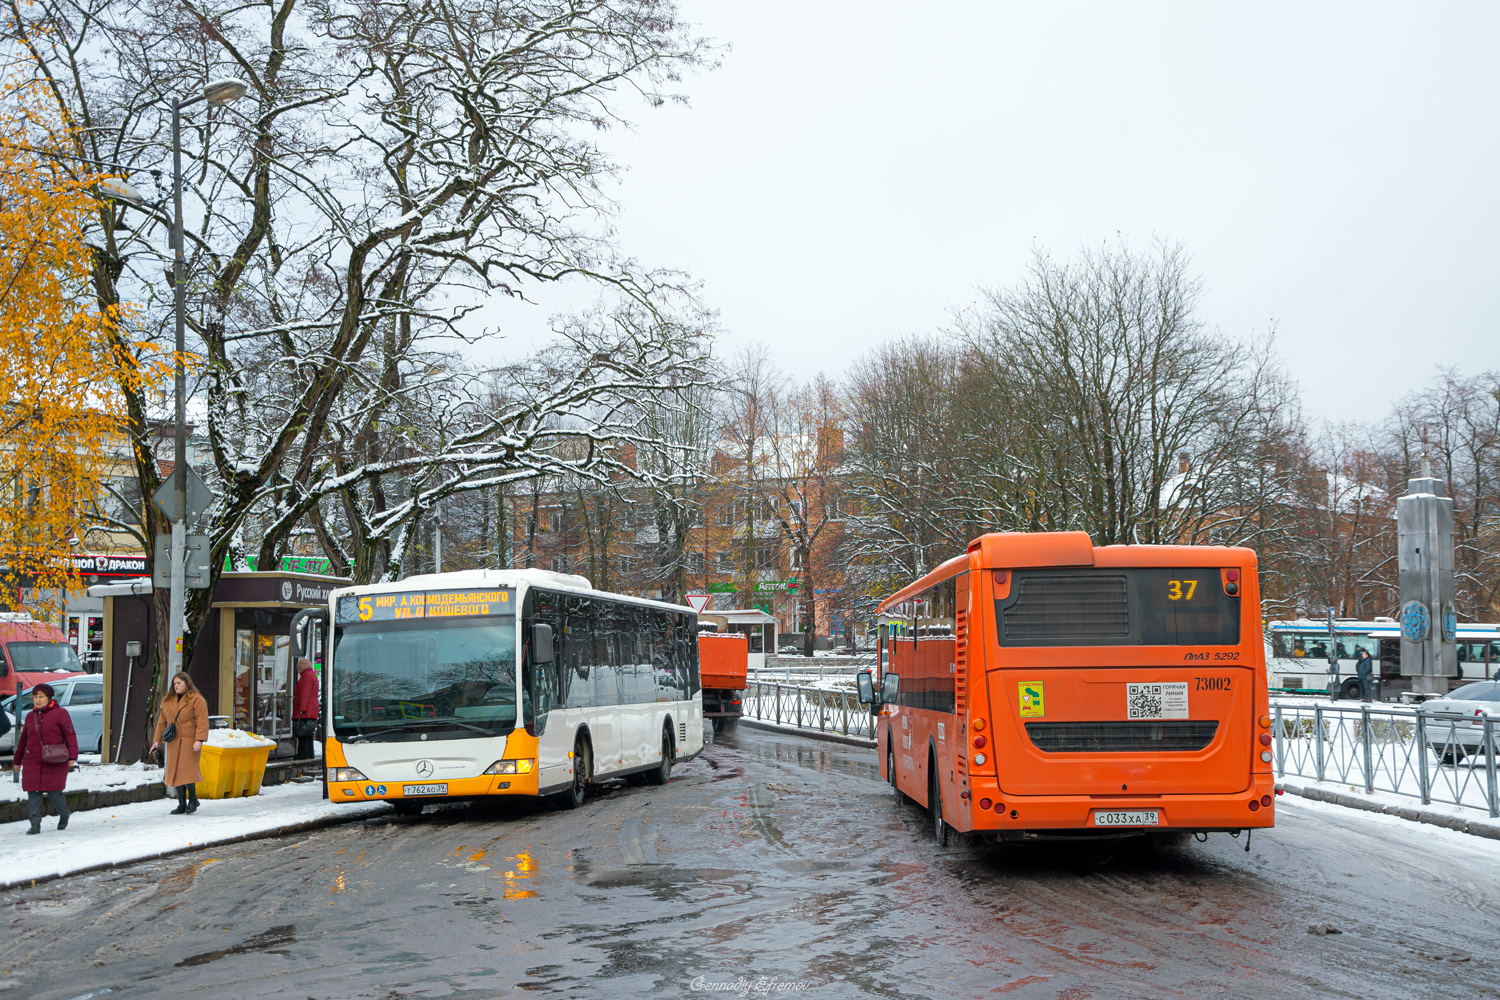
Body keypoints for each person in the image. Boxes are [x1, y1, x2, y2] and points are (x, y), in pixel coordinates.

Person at [13, 683, 78, 835]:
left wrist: (72, 756)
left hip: (54, 759)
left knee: (55, 791)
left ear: (49, 698)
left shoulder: (60, 713)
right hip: (32, 760)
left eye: (41, 697)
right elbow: (23, 740)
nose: (37, 700)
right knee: (33, 792)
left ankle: (64, 813)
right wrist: (17, 761)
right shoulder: (30, 716)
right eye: (35, 697)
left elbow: (70, 735)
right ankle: (34, 824)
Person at [152, 671, 209, 815]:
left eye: (179, 683)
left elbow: (202, 721)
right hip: (173, 741)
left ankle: (193, 800)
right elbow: (161, 722)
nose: (176, 686)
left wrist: (199, 740)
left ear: (187, 683)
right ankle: (182, 803)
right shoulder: (168, 701)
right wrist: (156, 741)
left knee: (187, 771)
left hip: (190, 741)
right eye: (174, 683)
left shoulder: (196, 700)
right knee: (176, 772)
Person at [293, 658, 319, 760]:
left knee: (302, 733)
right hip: (311, 709)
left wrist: (301, 709)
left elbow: (305, 693)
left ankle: (303, 754)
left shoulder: (305, 677)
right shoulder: (312, 675)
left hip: (305, 710)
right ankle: (309, 754)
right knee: (308, 733)